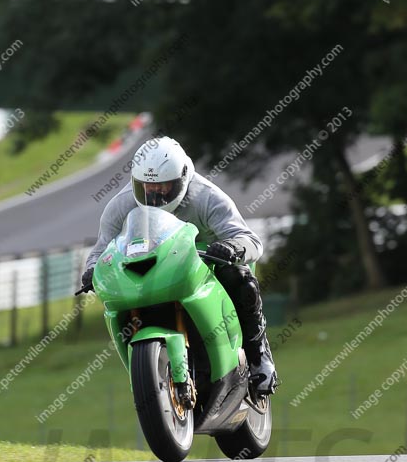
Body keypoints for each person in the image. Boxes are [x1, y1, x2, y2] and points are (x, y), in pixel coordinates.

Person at [81, 136, 277, 395]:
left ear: (183, 179)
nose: (155, 195)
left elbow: (252, 241)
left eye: (164, 187)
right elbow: (101, 250)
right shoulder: (121, 205)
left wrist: (230, 248)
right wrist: (92, 271)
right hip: (157, 270)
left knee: (240, 277)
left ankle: (258, 355)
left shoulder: (207, 197)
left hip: (206, 264)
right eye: (147, 188)